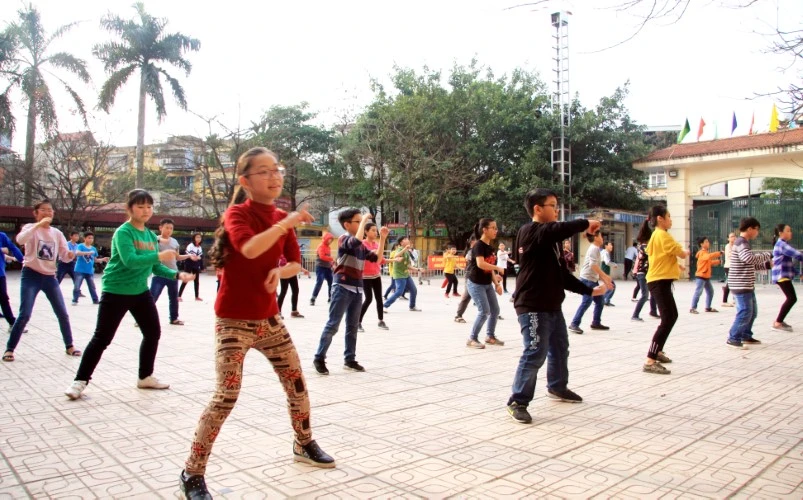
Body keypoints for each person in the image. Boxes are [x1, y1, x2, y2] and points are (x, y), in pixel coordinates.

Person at [174, 147, 334, 499]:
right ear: (245, 181)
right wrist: (285, 223)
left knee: (297, 384)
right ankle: (191, 472)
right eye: (263, 171)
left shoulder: (281, 218)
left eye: (276, 169)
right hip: (233, 320)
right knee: (226, 395)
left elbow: (295, 263)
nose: (274, 176)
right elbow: (248, 248)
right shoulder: (238, 214)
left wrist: (281, 269)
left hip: (269, 319)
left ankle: (303, 442)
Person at [64, 189, 194, 393]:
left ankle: (145, 376)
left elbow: (154, 267)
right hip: (116, 290)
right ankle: (79, 381)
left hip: (140, 292)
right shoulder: (124, 232)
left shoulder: (151, 236)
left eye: (149, 207)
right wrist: (159, 257)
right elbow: (131, 261)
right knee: (102, 338)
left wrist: (177, 275)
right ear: (130, 208)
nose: (146, 211)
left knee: (153, 333)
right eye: (141, 206)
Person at [506, 188, 607, 424]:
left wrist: (589, 290)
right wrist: (587, 223)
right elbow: (556, 229)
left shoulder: (551, 242)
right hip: (532, 305)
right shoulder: (530, 231)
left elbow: (562, 275)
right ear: (537, 209)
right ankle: (517, 401)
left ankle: (557, 386)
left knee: (560, 348)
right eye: (553, 205)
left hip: (552, 305)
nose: (557, 210)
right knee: (535, 352)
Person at [313, 210, 388, 375]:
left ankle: (350, 359)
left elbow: (377, 258)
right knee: (333, 325)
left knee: (352, 327)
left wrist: (382, 239)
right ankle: (319, 357)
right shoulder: (344, 239)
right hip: (342, 287)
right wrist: (365, 220)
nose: (362, 223)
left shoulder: (361, 246)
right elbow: (354, 241)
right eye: (358, 221)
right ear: (347, 225)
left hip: (357, 289)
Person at [3, 201, 77, 363]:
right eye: (43, 210)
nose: (47, 213)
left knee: (62, 313)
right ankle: (10, 349)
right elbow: (21, 240)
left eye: (50, 210)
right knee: (25, 314)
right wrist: (38, 226)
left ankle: (69, 345)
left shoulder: (57, 233)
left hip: (50, 277)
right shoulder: (30, 228)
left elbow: (64, 255)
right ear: (36, 213)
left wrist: (70, 255)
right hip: (31, 275)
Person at [642, 206, 690, 374]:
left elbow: (660, 257)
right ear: (660, 219)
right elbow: (680, 252)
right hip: (659, 282)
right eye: (669, 217)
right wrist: (686, 252)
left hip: (659, 281)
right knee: (667, 318)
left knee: (671, 316)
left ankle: (658, 351)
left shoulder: (656, 235)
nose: (671, 220)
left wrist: (676, 265)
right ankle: (650, 360)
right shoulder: (663, 235)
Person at [726, 217, 773, 348]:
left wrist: (767, 265)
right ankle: (733, 337)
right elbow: (748, 259)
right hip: (740, 284)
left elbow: (749, 264)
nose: (757, 233)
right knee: (745, 311)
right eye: (757, 230)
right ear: (750, 229)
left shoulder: (743, 242)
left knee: (752, 312)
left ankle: (745, 335)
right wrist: (768, 255)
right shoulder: (741, 242)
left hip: (746, 284)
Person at [465, 218, 506, 349]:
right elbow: (481, 264)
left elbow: (490, 267)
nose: (496, 230)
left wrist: (497, 284)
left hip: (487, 283)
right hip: (475, 283)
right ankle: (472, 338)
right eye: (493, 228)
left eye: (496, 228)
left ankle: (490, 336)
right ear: (484, 230)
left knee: (495, 310)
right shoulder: (478, 245)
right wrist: (497, 268)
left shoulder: (490, 247)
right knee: (484, 311)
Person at [150, 219, 194, 325]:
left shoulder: (174, 242)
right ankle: (142, 319)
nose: (169, 230)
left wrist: (188, 256)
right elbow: (151, 256)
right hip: (159, 274)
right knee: (152, 297)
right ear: (160, 228)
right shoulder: (154, 240)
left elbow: (177, 257)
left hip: (173, 274)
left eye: (171, 228)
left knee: (174, 298)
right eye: (167, 227)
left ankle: (174, 318)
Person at [568, 231, 612, 334]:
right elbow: (593, 265)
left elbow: (596, 268)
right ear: (596, 237)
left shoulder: (596, 249)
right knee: (586, 302)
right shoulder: (594, 248)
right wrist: (605, 276)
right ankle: (574, 324)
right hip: (587, 280)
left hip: (592, 279)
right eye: (601, 236)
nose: (602, 238)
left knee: (600, 302)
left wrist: (605, 280)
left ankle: (596, 322)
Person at [359, 222, 390, 331]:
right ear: (366, 232)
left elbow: (380, 260)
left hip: (376, 275)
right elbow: (374, 255)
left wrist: (382, 240)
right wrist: (382, 239)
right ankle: (358, 322)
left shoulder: (377, 244)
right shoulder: (362, 244)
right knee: (368, 299)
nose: (375, 232)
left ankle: (381, 321)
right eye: (372, 230)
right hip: (365, 276)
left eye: (376, 230)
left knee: (379, 299)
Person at [771, 223, 803, 332]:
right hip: (781, 275)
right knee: (791, 298)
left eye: (790, 230)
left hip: (782, 274)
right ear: (781, 233)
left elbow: (788, 264)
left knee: (791, 298)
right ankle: (778, 322)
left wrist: (799, 273)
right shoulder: (782, 244)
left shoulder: (783, 244)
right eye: (788, 230)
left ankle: (779, 321)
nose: (790, 233)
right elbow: (799, 255)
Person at [383, 236, 420, 312]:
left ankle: (412, 306)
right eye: (405, 239)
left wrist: (418, 269)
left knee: (414, 290)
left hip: (406, 274)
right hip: (399, 275)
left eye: (407, 239)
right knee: (399, 292)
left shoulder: (406, 251)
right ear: (401, 242)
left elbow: (407, 265)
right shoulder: (399, 249)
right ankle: (385, 306)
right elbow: (396, 256)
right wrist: (405, 249)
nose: (408, 240)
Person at [71, 232, 109, 305]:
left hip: (89, 271)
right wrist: (87, 253)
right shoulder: (80, 246)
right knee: (77, 286)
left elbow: (95, 259)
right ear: (84, 238)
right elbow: (77, 253)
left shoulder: (93, 249)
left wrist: (102, 259)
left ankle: (95, 300)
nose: (91, 240)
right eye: (89, 238)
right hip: (79, 270)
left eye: (92, 238)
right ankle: (75, 300)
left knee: (92, 287)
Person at [630, 224, 658, 322]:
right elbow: (651, 253)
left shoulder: (647, 246)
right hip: (642, 274)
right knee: (645, 295)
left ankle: (653, 311)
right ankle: (635, 315)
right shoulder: (644, 247)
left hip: (648, 273)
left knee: (653, 292)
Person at [690, 236, 722, 314]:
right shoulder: (702, 253)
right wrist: (719, 253)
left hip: (706, 276)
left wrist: (717, 262)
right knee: (698, 292)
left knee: (710, 292)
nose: (708, 243)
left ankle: (708, 307)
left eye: (708, 241)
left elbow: (709, 262)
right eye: (706, 242)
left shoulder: (705, 253)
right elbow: (708, 257)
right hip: (701, 276)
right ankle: (693, 308)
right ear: (701, 244)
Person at [0, 231, 24, 329]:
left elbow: (12, 247)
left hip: (0, 274)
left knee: (3, 298)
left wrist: (22, 260)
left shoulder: (1, 236)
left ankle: (12, 323)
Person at [277, 254, 310, 318]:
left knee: (295, 290)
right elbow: (283, 262)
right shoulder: (283, 250)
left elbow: (294, 262)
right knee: (283, 291)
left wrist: (302, 269)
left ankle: (294, 311)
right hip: (284, 271)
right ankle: (278, 312)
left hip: (292, 272)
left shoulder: (291, 249)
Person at [454, 237, 477, 323]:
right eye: (476, 240)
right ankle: (458, 315)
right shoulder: (471, 251)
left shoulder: (480, 249)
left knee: (489, 293)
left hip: (481, 276)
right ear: (472, 242)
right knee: (467, 295)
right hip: (470, 275)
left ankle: (493, 313)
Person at [179, 233, 204, 302]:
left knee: (196, 281)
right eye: (197, 237)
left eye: (200, 237)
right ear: (194, 238)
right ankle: (179, 296)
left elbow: (201, 258)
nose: (198, 239)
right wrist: (193, 258)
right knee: (185, 280)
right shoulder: (190, 246)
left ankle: (197, 296)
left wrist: (202, 267)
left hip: (196, 266)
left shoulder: (199, 247)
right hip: (189, 265)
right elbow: (187, 255)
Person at [310, 232, 334, 306]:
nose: (330, 241)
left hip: (327, 267)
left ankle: (331, 297)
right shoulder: (321, 246)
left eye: (331, 240)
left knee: (331, 282)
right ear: (326, 239)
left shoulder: (328, 247)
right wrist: (331, 259)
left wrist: (332, 264)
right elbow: (322, 256)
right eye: (329, 239)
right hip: (320, 267)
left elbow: (328, 258)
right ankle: (313, 298)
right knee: (319, 282)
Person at [721, 232, 736, 307]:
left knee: (735, 283)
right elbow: (731, 255)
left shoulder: (736, 246)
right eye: (731, 236)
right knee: (730, 283)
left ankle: (735, 299)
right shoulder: (728, 246)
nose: (733, 238)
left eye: (734, 236)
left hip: (734, 266)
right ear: (728, 238)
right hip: (728, 266)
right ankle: (724, 301)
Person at [601, 241, 617, 306]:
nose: (611, 246)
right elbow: (607, 262)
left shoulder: (604, 252)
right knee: (612, 286)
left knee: (607, 286)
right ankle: (605, 300)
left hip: (604, 272)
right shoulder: (605, 253)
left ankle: (604, 300)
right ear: (606, 246)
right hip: (604, 272)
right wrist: (614, 264)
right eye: (610, 245)